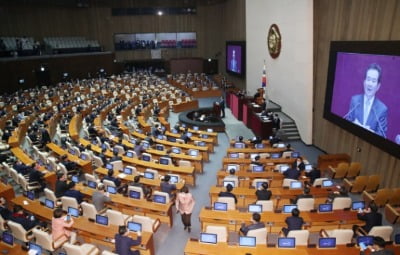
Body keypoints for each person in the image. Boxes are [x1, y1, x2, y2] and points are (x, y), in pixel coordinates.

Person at [344, 63, 388, 138]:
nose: (370, 84)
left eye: (373, 81)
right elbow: (346, 123)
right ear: (364, 82)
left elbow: (382, 136)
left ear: (378, 86)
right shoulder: (355, 100)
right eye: (368, 79)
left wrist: (369, 132)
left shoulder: (382, 109)